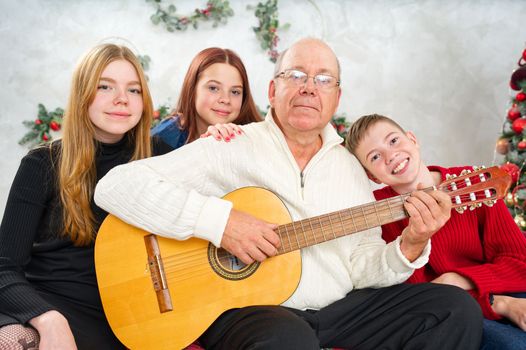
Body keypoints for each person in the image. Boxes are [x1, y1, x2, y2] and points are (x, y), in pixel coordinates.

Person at [94, 38, 483, 349]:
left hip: (338, 311)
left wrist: (411, 243)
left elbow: (363, 264)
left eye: (323, 79)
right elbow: (115, 187)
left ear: (337, 98)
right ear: (273, 88)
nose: (309, 88)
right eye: (296, 74)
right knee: (287, 338)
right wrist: (220, 223)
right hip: (254, 313)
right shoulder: (231, 144)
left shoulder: (351, 170)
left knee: (453, 308)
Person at [0, 43, 172, 349]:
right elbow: (3, 265)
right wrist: (48, 318)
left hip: (126, 318)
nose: (121, 99)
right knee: (10, 342)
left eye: (133, 90)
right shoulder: (42, 163)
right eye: (105, 86)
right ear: (82, 94)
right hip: (47, 305)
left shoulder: (162, 158)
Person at [346, 113, 526, 350]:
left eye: (393, 141)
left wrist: (459, 279)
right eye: (376, 156)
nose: (391, 156)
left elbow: (519, 262)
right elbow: (415, 298)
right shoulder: (375, 213)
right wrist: (496, 303)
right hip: (450, 314)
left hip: (503, 289)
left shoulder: (475, 183)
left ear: (412, 139)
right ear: (372, 176)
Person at [151, 47, 261, 149]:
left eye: (235, 92)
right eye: (213, 88)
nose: (226, 99)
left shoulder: (255, 140)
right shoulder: (162, 139)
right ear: (192, 89)